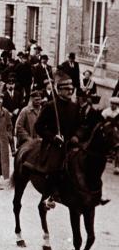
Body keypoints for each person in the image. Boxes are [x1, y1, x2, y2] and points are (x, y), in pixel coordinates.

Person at [33, 72, 81, 206]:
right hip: (54, 145)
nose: (70, 92)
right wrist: (53, 137)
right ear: (59, 90)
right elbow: (39, 126)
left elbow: (80, 125)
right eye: (67, 89)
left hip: (71, 143)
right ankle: (49, 196)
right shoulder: (50, 106)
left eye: (71, 89)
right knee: (55, 166)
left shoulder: (75, 107)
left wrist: (77, 136)